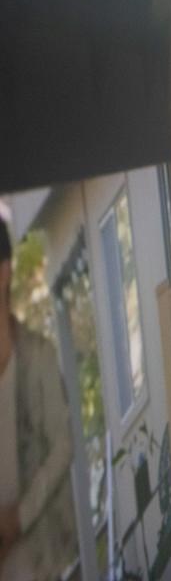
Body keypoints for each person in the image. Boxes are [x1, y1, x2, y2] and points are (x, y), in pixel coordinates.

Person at [0, 218, 78, 580]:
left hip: (38, 562)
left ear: (4, 271)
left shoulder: (38, 356)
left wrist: (21, 516)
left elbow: (64, 445)